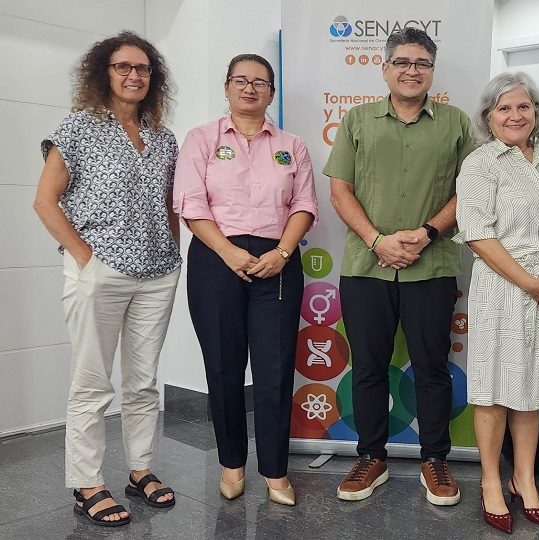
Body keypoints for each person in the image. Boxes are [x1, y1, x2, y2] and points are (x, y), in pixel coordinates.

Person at [33, 31, 181, 527]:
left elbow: (168, 203)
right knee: (92, 383)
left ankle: (140, 469)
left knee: (143, 382)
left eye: (143, 69)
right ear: (105, 72)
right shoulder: (78, 127)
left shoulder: (164, 136)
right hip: (102, 270)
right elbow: (45, 201)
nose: (135, 75)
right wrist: (84, 256)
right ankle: (87, 483)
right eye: (124, 67)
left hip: (158, 271)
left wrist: (174, 252)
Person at [324, 27, 475, 505]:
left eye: (422, 64)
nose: (412, 71)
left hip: (430, 267)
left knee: (432, 367)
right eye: (403, 62)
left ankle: (435, 460)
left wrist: (427, 233)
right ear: (385, 68)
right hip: (366, 267)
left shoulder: (455, 123)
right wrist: (377, 240)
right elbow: (339, 189)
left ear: (432, 70)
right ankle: (371, 457)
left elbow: (467, 192)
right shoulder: (357, 120)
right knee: (368, 367)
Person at [173, 54, 318, 506]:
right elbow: (191, 204)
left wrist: (281, 252)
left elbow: (304, 206)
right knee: (223, 366)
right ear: (227, 87)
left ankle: (276, 472)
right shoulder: (201, 139)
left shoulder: (291, 144)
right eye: (241, 80)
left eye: (260, 82)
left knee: (274, 370)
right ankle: (231, 464)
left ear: (272, 92)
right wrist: (231, 251)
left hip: (277, 261)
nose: (250, 88)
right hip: (218, 259)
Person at [454, 72, 539, 533]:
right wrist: (527, 281)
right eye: (504, 108)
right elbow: (477, 234)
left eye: (523, 107)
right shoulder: (482, 164)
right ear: (489, 117)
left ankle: (524, 480)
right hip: (505, 290)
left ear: (536, 113)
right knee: (494, 390)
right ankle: (490, 480)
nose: (515, 115)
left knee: (533, 391)